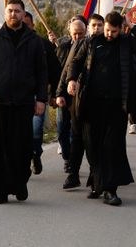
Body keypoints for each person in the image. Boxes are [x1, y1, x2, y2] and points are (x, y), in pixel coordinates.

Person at [67, 11, 136, 206]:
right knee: (92, 145)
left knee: (112, 147)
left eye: (113, 31)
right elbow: (76, 62)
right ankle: (97, 183)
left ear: (120, 29)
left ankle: (109, 190)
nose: (109, 34)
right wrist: (72, 79)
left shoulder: (125, 41)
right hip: (92, 104)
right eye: (107, 30)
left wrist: (132, 27)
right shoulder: (91, 42)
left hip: (117, 105)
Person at [0, 0, 48, 204]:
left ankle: (20, 185)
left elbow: (42, 73)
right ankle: (1, 190)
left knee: (22, 148)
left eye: (17, 11)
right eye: (10, 11)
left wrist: (41, 99)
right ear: (5, 14)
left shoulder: (34, 40)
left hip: (24, 103)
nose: (13, 14)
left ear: (24, 15)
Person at [57, 14, 103, 190]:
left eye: (100, 25)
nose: (96, 29)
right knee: (76, 138)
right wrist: (61, 92)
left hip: (99, 101)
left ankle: (95, 176)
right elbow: (69, 69)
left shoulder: (108, 44)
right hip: (79, 99)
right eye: (94, 25)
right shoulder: (80, 45)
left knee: (92, 140)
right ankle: (73, 174)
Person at [23, 11, 60, 177]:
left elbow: (54, 71)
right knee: (19, 132)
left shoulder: (43, 44)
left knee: (36, 130)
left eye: (26, 24)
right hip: (16, 97)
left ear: (32, 25)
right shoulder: (9, 44)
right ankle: (24, 161)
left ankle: (35, 153)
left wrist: (53, 94)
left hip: (38, 96)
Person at [54, 17, 87, 176]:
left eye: (81, 34)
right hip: (63, 97)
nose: (77, 37)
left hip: (81, 98)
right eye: (75, 34)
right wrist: (56, 94)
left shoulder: (88, 47)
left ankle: (72, 163)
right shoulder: (62, 47)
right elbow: (56, 73)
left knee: (76, 133)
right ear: (69, 33)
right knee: (62, 130)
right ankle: (67, 157)